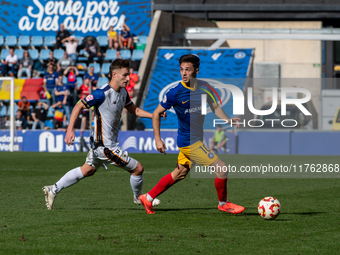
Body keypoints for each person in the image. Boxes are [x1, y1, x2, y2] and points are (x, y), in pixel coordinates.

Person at [42, 59, 165, 210]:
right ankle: (140, 198)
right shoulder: (102, 93)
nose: (128, 78)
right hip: (104, 147)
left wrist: (154, 115)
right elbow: (79, 105)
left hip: (104, 144)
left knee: (87, 170)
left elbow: (134, 110)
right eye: (125, 75)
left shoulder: (123, 92)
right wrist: (70, 129)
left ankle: (52, 189)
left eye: (129, 75)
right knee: (138, 169)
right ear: (115, 74)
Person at [139, 54, 245, 215]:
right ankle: (223, 203)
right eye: (181, 69)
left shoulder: (205, 87)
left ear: (196, 70)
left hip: (196, 139)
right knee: (221, 169)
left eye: (187, 70)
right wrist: (157, 139)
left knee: (179, 173)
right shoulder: (175, 92)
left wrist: (227, 120)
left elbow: (215, 106)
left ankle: (148, 197)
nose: (183, 73)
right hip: (189, 142)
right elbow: (156, 113)